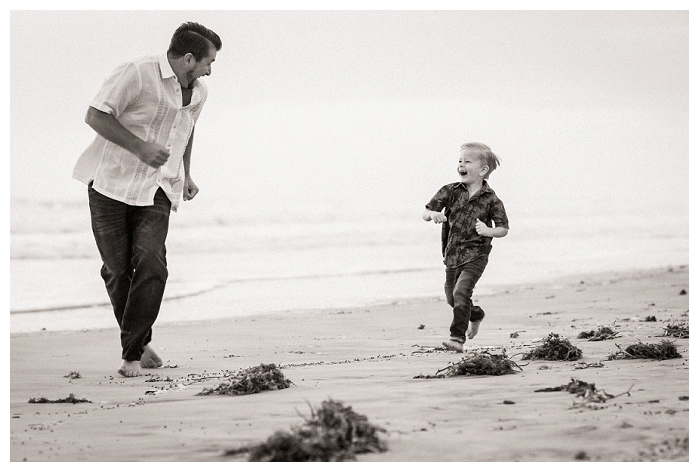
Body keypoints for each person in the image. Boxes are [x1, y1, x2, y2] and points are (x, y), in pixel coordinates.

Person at [73, 22, 222, 377]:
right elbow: (95, 115)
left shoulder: (198, 92)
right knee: (118, 269)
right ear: (188, 58)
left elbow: (186, 129)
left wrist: (186, 173)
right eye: (208, 62)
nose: (210, 71)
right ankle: (140, 340)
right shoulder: (138, 73)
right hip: (109, 183)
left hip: (159, 186)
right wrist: (140, 147)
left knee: (153, 263)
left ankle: (131, 356)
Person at [422, 142, 509, 353]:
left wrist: (488, 231)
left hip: (477, 255)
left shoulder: (491, 199)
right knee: (453, 299)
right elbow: (426, 212)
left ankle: (456, 339)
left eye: (467, 161)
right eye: (459, 161)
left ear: (483, 170)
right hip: (452, 255)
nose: (461, 165)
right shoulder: (450, 191)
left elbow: (503, 228)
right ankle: (476, 314)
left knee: (462, 293)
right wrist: (433, 215)